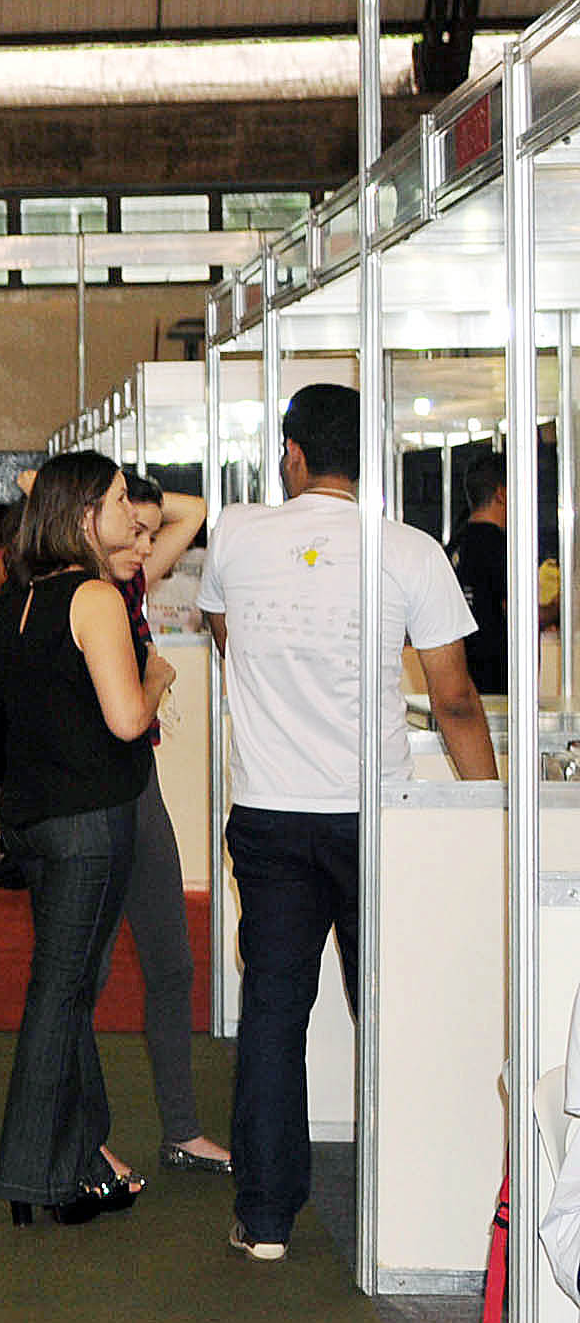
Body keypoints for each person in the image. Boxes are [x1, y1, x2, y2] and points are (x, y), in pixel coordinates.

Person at [199, 383, 496, 1260]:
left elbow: (224, 632)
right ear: (369, 458)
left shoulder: (237, 534)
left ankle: (264, 1219)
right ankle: (410, 1206)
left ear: (291, 454)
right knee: (389, 1007)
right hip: (378, 819)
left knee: (274, 1010)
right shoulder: (408, 551)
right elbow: (455, 699)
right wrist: (487, 810)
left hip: (270, 811)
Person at [0, 451, 168, 1226]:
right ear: (85, 515)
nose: (133, 513)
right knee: (62, 994)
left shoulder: (16, 601)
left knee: (69, 987)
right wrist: (157, 677)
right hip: (90, 822)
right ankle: (35, 1173)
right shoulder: (94, 598)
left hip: (34, 820)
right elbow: (127, 720)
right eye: (120, 499)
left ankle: (84, 1156)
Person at [104, 474, 230, 1175]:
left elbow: (197, 510)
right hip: (90, 798)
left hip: (138, 787)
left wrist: (131, 504)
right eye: (135, 530)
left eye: (153, 534)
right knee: (81, 976)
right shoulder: (81, 593)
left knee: (173, 962)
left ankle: (182, 1129)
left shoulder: (129, 581)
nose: (148, 546)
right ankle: (80, 1136)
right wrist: (156, 677)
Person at [449, 461, 517, 696]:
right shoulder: (503, 549)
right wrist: (557, 608)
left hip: (457, 680)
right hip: (499, 683)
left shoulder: (453, 547)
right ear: (501, 493)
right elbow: (519, 614)